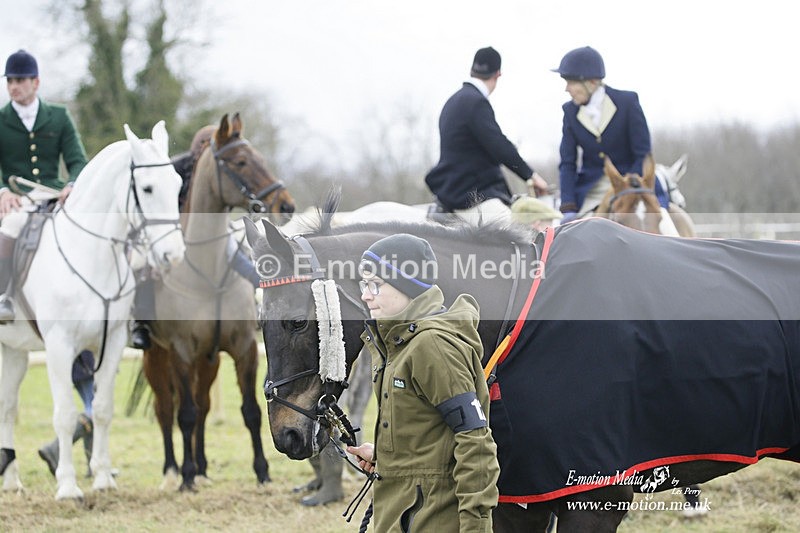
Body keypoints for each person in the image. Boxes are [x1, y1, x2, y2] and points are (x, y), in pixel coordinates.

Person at [346, 234, 500, 532]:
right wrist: (386, 456)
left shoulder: (432, 346)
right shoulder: (399, 342)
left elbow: (476, 441)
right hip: (404, 515)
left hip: (432, 520)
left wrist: (475, 526)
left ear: (407, 286)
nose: (366, 295)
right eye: (364, 285)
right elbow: (431, 434)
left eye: (375, 285)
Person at [0, 49, 94, 473]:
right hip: (16, 200)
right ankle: (5, 296)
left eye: (20, 80)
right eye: (10, 81)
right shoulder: (1, 117)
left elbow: (76, 159)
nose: (14, 86)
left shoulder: (58, 116)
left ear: (36, 82)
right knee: (9, 233)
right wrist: (2, 189)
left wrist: (74, 183)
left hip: (55, 196)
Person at [425, 46, 548, 224]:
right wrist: (531, 176)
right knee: (522, 234)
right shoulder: (477, 103)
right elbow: (499, 146)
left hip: (449, 189)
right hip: (470, 195)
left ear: (471, 70)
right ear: (498, 74)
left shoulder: (452, 102)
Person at [552, 46, 668, 224]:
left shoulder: (627, 102)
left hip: (633, 183)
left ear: (591, 82)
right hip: (593, 190)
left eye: (571, 82)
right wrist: (568, 205)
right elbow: (567, 163)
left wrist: (629, 184)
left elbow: (642, 155)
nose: (567, 89)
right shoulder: (569, 112)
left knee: (665, 221)